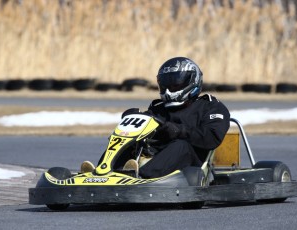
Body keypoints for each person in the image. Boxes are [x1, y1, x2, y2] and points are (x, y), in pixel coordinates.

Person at [81, 57, 230, 179]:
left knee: (181, 145)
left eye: (175, 84)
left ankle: (143, 177)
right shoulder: (159, 107)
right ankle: (103, 172)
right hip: (155, 156)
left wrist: (179, 131)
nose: (168, 89)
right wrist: (133, 119)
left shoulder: (210, 107)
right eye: (165, 84)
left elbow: (211, 137)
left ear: (191, 82)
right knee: (133, 143)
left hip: (192, 161)